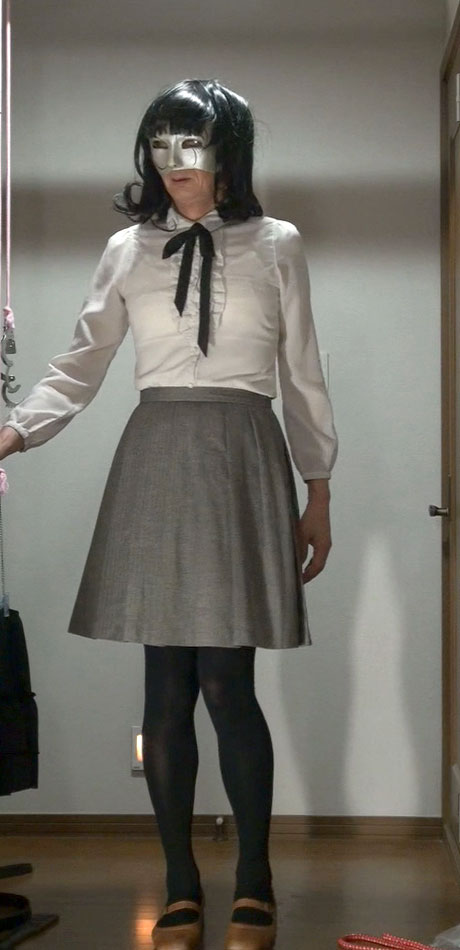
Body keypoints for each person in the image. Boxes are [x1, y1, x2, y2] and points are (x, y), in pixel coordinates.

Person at [0, 78, 338, 950]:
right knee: (165, 686)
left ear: (228, 151)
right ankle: (181, 886)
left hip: (243, 455)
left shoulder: (277, 243)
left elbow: (302, 371)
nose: (174, 162)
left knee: (228, 682)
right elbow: (81, 361)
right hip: (155, 455)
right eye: (160, 143)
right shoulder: (127, 248)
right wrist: (16, 431)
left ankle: (254, 882)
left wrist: (319, 488)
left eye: (192, 142)